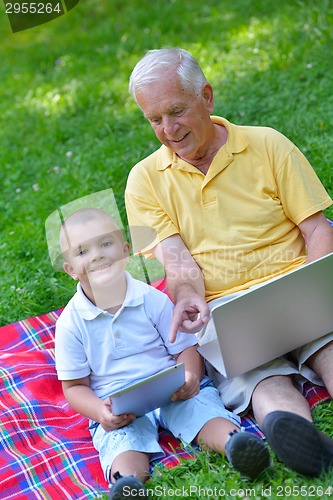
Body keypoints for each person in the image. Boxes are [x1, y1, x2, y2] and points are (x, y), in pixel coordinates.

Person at [125, 48, 333, 477]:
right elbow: (178, 264)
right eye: (154, 120)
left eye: (176, 111)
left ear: (207, 96)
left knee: (330, 348)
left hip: (298, 284)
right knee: (261, 379)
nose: (167, 130)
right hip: (226, 308)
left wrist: (320, 288)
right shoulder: (142, 181)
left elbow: (317, 229)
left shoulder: (267, 143)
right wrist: (186, 298)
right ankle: (297, 438)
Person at [54, 207, 270, 500]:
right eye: (82, 251)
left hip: (169, 386)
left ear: (125, 250)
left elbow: (184, 348)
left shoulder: (150, 299)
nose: (97, 255)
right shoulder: (70, 324)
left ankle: (235, 445)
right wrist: (99, 413)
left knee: (201, 409)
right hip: (118, 404)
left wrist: (192, 375)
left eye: (106, 244)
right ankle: (127, 483)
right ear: (70, 270)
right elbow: (74, 387)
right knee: (123, 441)